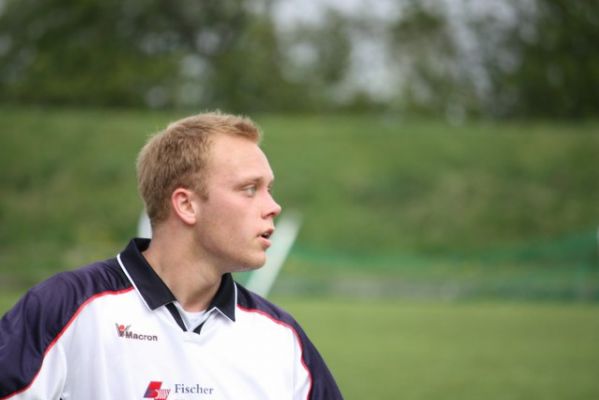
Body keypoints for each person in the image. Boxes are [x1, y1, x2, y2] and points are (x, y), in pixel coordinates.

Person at [0, 111, 343, 399]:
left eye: (269, 189)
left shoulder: (282, 338)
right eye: (250, 189)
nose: (273, 206)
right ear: (186, 205)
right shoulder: (66, 308)